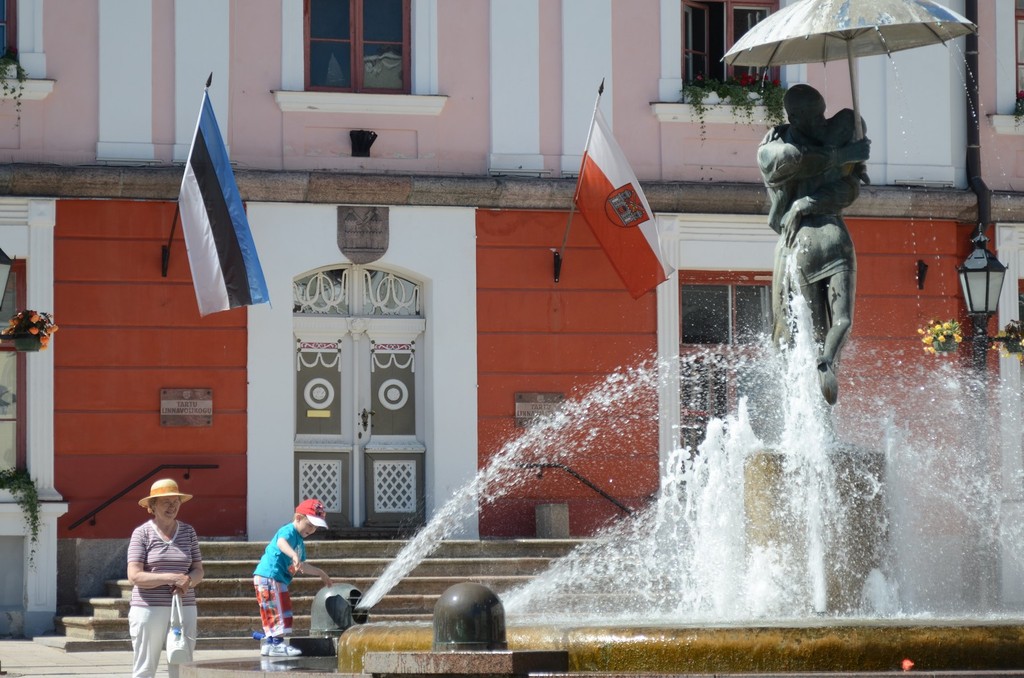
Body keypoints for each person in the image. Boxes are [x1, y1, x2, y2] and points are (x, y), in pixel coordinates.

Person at [757, 84, 871, 405]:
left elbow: (849, 187)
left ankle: (816, 395)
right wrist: (846, 156)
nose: (822, 121)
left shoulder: (833, 136)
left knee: (800, 335)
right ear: (793, 117)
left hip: (801, 245)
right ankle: (824, 372)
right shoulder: (774, 148)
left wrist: (852, 164)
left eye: (824, 113)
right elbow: (796, 160)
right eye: (815, 115)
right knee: (826, 330)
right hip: (828, 238)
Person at [127, 478, 204, 678]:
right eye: (166, 502)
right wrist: (171, 578)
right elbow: (134, 576)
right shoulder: (141, 533)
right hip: (148, 608)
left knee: (182, 666)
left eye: (176, 501)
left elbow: (198, 570)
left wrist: (188, 581)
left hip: (184, 606)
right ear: (153, 506)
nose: (173, 506)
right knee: (145, 668)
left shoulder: (188, 532)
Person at [253, 498, 333, 657]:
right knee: (278, 610)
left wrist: (320, 573)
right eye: (310, 525)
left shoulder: (299, 543)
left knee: (274, 609)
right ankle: (277, 644)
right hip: (270, 576)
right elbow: (281, 543)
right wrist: (293, 555)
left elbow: (302, 565)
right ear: (298, 518)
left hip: (274, 579)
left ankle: (269, 644)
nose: (312, 530)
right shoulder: (288, 531)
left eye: (315, 527)